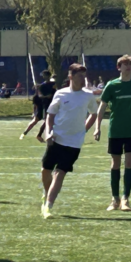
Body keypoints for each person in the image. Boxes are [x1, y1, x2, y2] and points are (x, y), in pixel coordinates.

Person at [39, 64, 100, 218]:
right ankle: (46, 196)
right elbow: (50, 114)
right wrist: (49, 132)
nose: (83, 79)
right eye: (80, 75)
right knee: (46, 170)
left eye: (84, 76)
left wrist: (84, 129)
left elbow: (94, 113)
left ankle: (48, 206)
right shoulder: (60, 94)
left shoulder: (88, 95)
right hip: (57, 137)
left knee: (59, 173)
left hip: (74, 142)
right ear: (71, 76)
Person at [93, 55, 131, 211]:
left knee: (129, 163)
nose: (128, 67)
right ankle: (114, 199)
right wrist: (97, 127)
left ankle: (125, 199)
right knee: (115, 163)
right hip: (115, 130)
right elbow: (101, 108)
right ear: (119, 67)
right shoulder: (111, 85)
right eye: (125, 64)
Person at [20, 70, 55, 140]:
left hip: (50, 105)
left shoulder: (53, 85)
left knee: (48, 121)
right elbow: (39, 96)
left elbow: (55, 93)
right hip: (43, 105)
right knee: (36, 120)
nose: (44, 77)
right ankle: (24, 133)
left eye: (45, 75)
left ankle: (40, 135)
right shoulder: (42, 86)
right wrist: (47, 96)